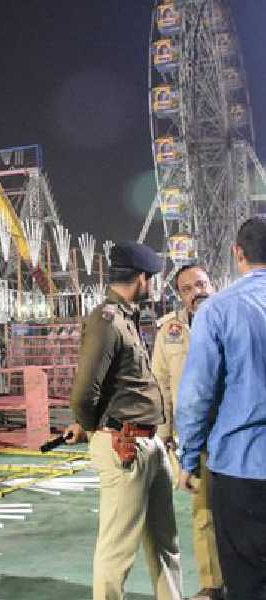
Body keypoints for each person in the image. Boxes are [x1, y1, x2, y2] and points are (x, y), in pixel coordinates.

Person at [66, 240, 182, 600]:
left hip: (149, 444)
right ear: (142, 278)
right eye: (153, 279)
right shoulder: (106, 321)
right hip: (124, 445)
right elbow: (84, 392)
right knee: (117, 552)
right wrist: (91, 427)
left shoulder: (126, 318)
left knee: (166, 544)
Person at [177, 216, 266, 600]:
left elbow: (196, 395)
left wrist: (188, 456)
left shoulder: (219, 310)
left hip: (241, 468)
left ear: (238, 254)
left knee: (247, 582)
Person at [152, 264, 223, 600]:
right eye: (187, 288)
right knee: (204, 512)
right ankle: (213, 584)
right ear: (179, 295)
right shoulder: (170, 332)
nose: (197, 292)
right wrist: (165, 432)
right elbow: (162, 385)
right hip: (196, 437)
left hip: (236, 431)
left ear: (213, 284)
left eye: (201, 283)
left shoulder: (231, 316)